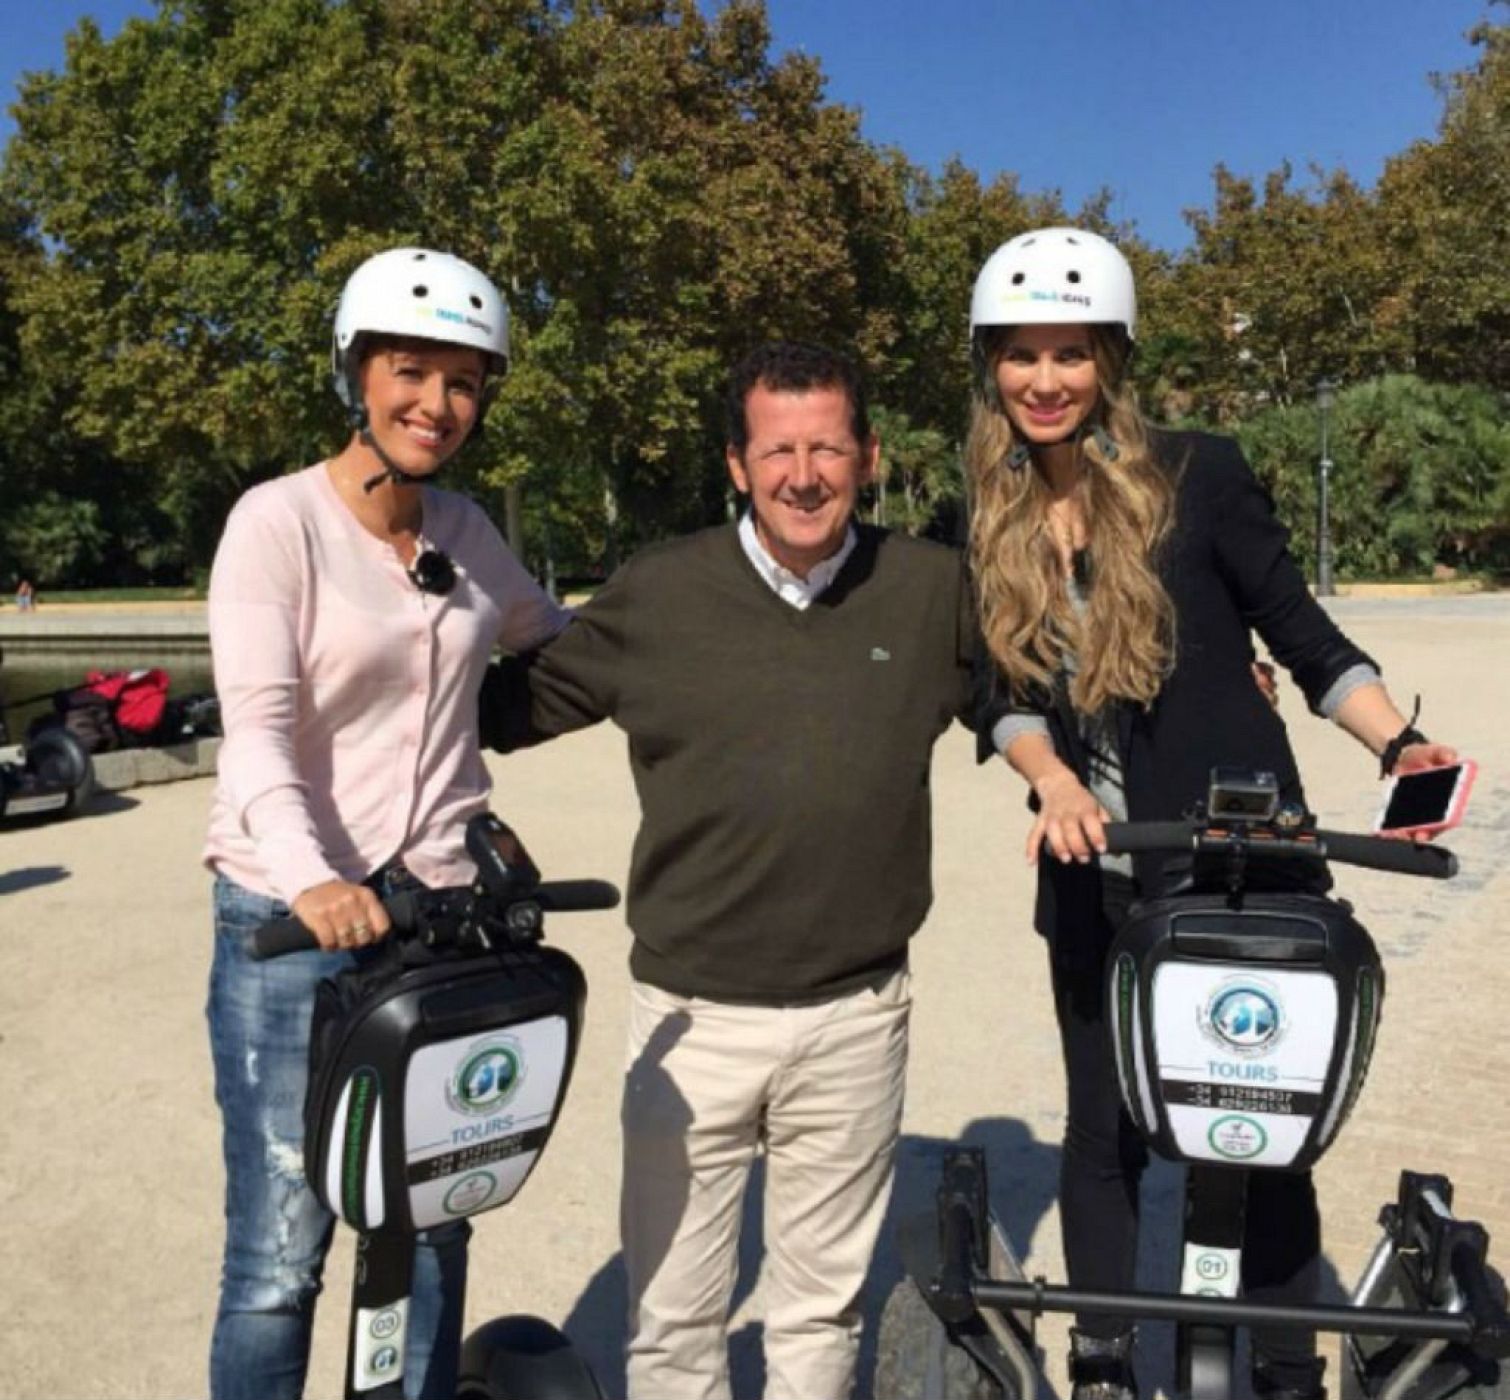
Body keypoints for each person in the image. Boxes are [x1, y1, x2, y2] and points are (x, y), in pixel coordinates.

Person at [966, 227, 1459, 1400]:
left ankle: (1285, 1373)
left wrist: (1397, 740)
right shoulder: (984, 515)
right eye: (1021, 353)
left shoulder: (1201, 472)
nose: (1045, 379)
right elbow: (996, 696)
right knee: (1103, 1134)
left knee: (1259, 1132)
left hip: (1242, 856)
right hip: (1095, 861)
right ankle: (1101, 1365)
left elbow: (1302, 632)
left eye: (1070, 352)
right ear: (990, 364)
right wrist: (1054, 779)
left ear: (1111, 360)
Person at [481, 341, 977, 1400]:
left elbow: (1050, 689)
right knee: (671, 1314)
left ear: (868, 455)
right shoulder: (658, 592)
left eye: (827, 447)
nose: (804, 473)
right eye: (778, 449)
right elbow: (493, 712)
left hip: (857, 1009)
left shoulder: (934, 589)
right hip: (691, 1016)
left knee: (818, 1307)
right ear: (737, 464)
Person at [202, 247, 569, 1400]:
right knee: (280, 1252)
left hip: (445, 919)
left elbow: (550, 637)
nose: (437, 405)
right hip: (294, 919)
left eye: (464, 382)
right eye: (411, 372)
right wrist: (315, 879)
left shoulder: (463, 531)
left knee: (436, 1209)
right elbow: (256, 731)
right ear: (357, 374)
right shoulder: (278, 524)